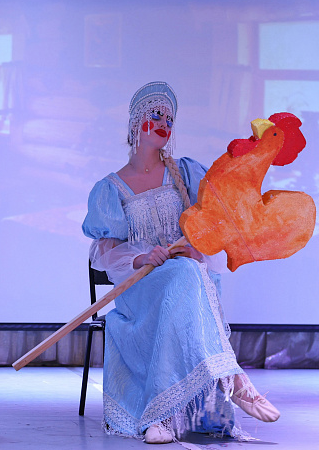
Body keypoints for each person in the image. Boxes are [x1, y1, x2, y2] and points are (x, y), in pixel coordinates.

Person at [81, 82, 279, 444]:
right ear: (136, 122)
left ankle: (161, 418)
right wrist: (142, 256)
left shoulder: (185, 173)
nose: (164, 123)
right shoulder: (111, 188)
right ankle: (232, 377)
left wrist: (196, 249)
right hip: (142, 288)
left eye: (169, 119)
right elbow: (103, 252)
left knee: (187, 271)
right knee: (186, 276)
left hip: (187, 281)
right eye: (156, 115)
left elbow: (215, 222)